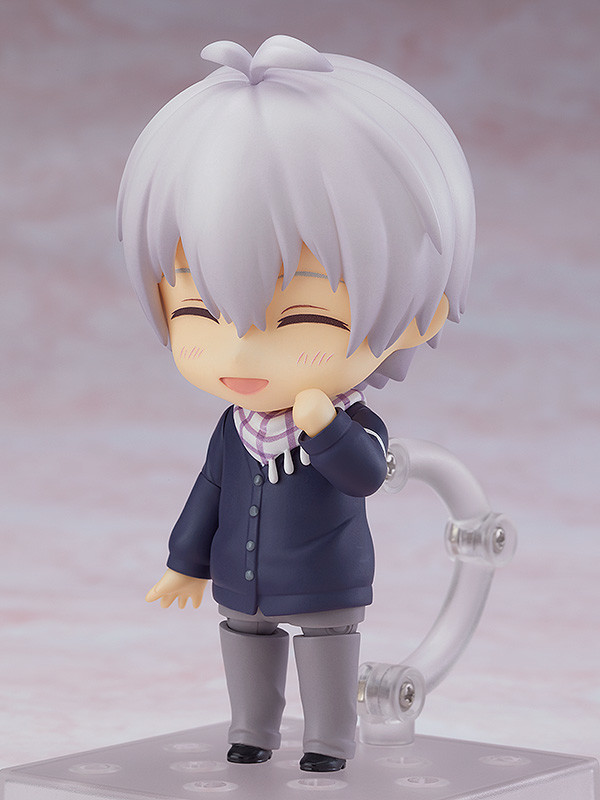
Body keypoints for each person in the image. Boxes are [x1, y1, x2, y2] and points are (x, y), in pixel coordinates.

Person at [117, 34, 475, 772]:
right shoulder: (234, 428)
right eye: (198, 312)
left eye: (301, 318)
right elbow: (209, 490)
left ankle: (328, 742)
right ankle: (252, 731)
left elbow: (366, 476)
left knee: (327, 649)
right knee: (244, 641)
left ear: (422, 313)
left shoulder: (352, 420)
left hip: (324, 580)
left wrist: (327, 429)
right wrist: (185, 561)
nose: (238, 353)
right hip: (241, 579)